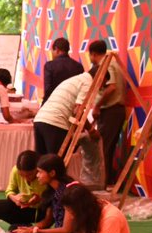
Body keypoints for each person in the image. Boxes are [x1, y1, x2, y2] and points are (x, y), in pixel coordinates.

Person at [8, 154, 75, 233]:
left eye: (39, 172)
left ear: (52, 173)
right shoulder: (53, 190)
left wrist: (33, 231)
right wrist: (30, 230)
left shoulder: (68, 192)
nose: (37, 175)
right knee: (15, 229)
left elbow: (66, 231)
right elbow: (48, 221)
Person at [87, 40, 126, 186]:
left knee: (104, 148)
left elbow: (111, 88)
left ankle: (103, 182)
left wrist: (97, 105)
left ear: (93, 54)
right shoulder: (110, 62)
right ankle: (105, 180)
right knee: (106, 147)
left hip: (111, 110)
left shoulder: (107, 64)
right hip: (110, 110)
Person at [34, 69, 92, 156]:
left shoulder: (75, 79)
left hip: (40, 119)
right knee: (55, 164)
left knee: (41, 163)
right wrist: (91, 129)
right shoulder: (88, 82)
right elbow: (78, 111)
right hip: (56, 123)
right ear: (101, 79)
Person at [0, 150, 46, 228]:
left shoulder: (45, 174)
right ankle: (23, 225)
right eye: (22, 175)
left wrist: (40, 200)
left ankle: (26, 228)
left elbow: (54, 200)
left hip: (42, 211)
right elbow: (9, 190)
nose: (26, 178)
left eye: (29, 175)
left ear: (38, 169)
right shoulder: (15, 170)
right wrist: (15, 198)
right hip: (24, 208)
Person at [42, 37, 84, 103]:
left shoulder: (49, 66)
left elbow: (47, 91)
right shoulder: (79, 67)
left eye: (52, 51)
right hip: (71, 106)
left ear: (57, 50)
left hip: (53, 104)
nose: (52, 53)